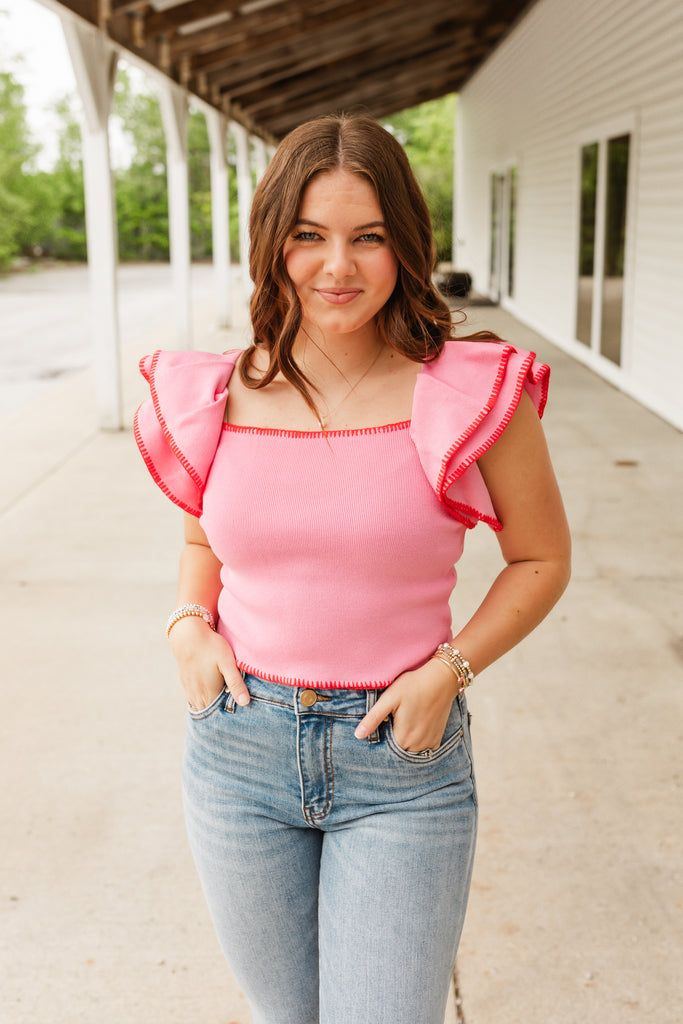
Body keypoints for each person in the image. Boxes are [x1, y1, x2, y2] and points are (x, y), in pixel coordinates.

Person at [133, 112, 572, 1024]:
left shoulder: (467, 389)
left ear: (405, 245)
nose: (338, 267)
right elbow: (201, 543)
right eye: (309, 236)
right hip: (239, 750)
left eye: (367, 238)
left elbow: (540, 558)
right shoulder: (214, 394)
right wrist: (186, 626)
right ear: (272, 243)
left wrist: (447, 673)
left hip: (398, 759)